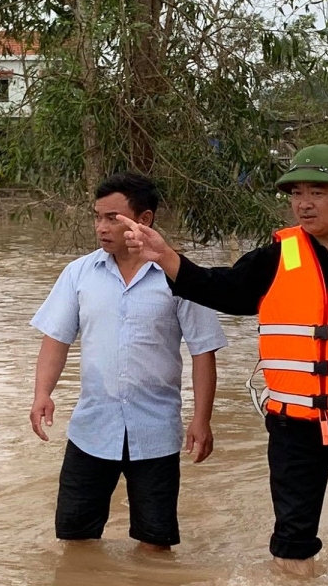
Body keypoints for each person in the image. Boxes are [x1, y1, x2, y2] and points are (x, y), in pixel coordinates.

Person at [118, 145, 328, 575]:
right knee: (292, 541)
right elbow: (223, 290)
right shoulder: (279, 253)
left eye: (317, 192)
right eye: (296, 193)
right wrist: (165, 256)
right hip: (292, 426)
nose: (304, 203)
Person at [29, 172, 227, 550]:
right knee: (76, 541)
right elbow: (56, 339)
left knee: (155, 546)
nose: (101, 227)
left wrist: (201, 420)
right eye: (98, 217)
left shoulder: (178, 276)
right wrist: (42, 393)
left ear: (144, 220)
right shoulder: (79, 273)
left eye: (112, 218)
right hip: (91, 429)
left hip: (155, 432)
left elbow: (204, 351)